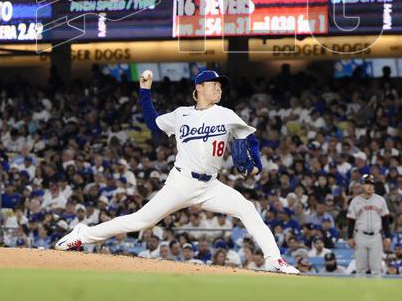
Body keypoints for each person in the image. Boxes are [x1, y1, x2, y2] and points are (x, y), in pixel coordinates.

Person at [55, 69, 298, 274]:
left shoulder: (227, 115)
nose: (218, 88)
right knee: (141, 220)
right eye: (213, 84)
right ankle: (83, 234)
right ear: (199, 88)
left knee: (247, 209)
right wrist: (145, 90)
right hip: (181, 182)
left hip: (211, 186)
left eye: (220, 85)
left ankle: (274, 259)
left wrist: (256, 165)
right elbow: (153, 122)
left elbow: (250, 139)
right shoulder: (181, 114)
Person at [347, 173, 390, 276]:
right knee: (360, 269)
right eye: (367, 184)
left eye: (372, 184)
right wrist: (350, 237)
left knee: (376, 269)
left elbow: (385, 219)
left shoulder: (380, 200)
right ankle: (360, 291)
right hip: (360, 236)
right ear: (362, 185)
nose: (370, 186)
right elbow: (351, 220)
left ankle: (377, 291)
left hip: (376, 236)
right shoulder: (355, 201)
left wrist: (387, 236)